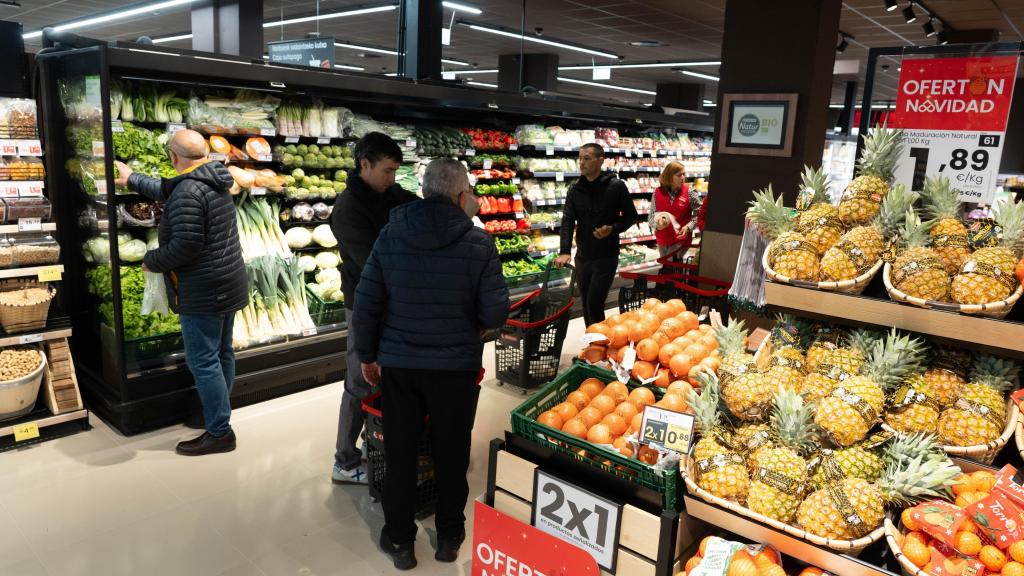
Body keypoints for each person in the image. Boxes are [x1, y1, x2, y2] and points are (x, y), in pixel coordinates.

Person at [351, 158, 508, 570]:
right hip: (454, 368)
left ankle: (400, 540)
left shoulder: (391, 233)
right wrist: (474, 325)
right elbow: (495, 313)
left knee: (400, 453)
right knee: (452, 452)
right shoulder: (479, 243)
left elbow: (368, 302)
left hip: (400, 366)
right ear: (461, 196)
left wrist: (367, 354)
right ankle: (449, 536)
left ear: (424, 191)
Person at [113, 130, 248, 456]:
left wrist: (152, 260)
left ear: (174, 158)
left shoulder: (188, 191)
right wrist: (132, 179)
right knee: (221, 353)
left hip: (205, 288)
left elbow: (186, 245)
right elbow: (167, 187)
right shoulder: (214, 176)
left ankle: (219, 432)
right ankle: (217, 413)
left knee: (203, 360)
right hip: (228, 282)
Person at [329, 132, 418, 485]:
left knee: (387, 379)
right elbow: (372, 265)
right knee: (359, 382)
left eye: (396, 171)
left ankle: (374, 444)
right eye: (387, 170)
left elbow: (420, 206)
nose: (392, 179)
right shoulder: (348, 209)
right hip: (364, 307)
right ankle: (345, 462)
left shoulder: (392, 195)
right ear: (364, 165)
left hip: (394, 303)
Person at [553, 143, 638, 326]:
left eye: (587, 158)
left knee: (594, 303)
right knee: (585, 304)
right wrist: (565, 250)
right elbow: (568, 220)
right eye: (580, 158)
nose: (581, 163)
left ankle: (599, 344)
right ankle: (592, 344)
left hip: (606, 255)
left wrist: (612, 229)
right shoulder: (575, 189)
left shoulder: (616, 186)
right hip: (583, 256)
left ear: (600, 160)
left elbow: (631, 216)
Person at [649, 160, 705, 260]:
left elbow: (699, 213)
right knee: (666, 267)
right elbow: (651, 216)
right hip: (662, 239)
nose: (683, 178)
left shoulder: (690, 192)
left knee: (673, 266)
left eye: (684, 174)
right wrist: (657, 226)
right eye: (679, 175)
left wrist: (688, 227)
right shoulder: (657, 192)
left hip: (680, 240)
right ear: (669, 176)